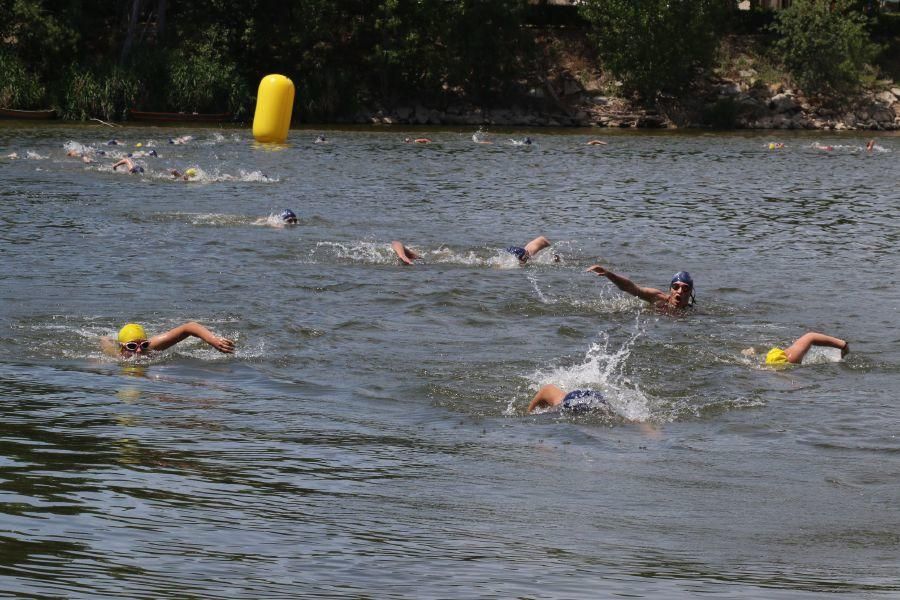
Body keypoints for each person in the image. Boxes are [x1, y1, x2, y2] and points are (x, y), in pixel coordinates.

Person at [586, 265, 695, 310]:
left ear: (690, 292)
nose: (679, 291)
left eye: (685, 288)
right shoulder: (657, 298)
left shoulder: (693, 313)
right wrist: (609, 274)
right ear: (670, 288)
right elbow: (630, 287)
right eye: (676, 287)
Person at [102, 322, 235, 358]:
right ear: (122, 348)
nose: (138, 350)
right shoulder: (115, 355)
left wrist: (213, 340)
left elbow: (189, 327)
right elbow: (103, 340)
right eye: (131, 346)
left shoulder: (152, 347)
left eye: (143, 344)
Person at [761, 331, 849, 365]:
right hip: (776, 359)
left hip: (775, 361)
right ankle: (843, 345)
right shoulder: (789, 359)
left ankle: (843, 345)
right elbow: (811, 336)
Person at [528, 384, 606, 414]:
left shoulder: (546, 390)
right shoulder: (549, 390)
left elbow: (529, 413)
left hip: (571, 401)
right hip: (595, 396)